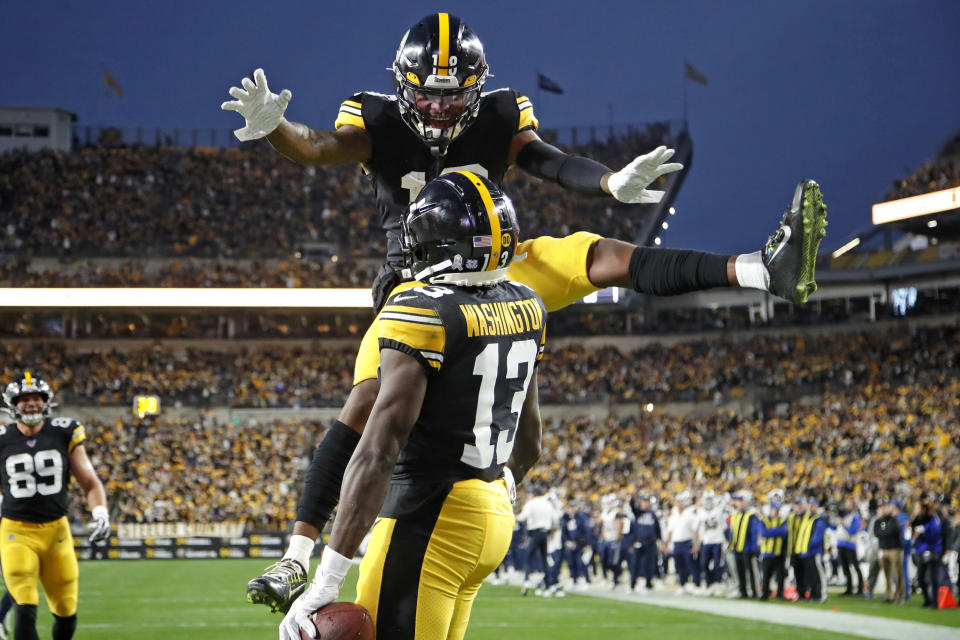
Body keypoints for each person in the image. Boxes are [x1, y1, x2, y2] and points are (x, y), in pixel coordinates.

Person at [223, 12, 829, 613]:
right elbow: (321, 146)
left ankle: (756, 269)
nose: (438, 110)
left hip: (497, 266)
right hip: (417, 282)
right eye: (426, 97)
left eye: (453, 95)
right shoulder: (375, 116)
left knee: (602, 255)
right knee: (363, 407)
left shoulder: (500, 115)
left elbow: (548, 161)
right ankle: (297, 557)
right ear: (403, 86)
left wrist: (611, 183)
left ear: (478, 86)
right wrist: (280, 130)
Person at [278, 172, 546, 640]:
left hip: (427, 520)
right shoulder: (527, 303)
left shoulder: (420, 309)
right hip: (492, 515)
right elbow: (531, 442)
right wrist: (498, 485)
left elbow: (378, 451)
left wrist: (327, 580)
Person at [0, 374, 111, 640]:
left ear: (46, 402)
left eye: (36, 398)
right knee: (24, 606)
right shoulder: (3, 438)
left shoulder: (64, 431)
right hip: (17, 531)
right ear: (12, 404)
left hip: (56, 533)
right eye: (24, 399)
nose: (30, 404)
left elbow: (90, 481)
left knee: (65, 609)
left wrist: (100, 512)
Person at [912, 497, 943, 608]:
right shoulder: (918, 519)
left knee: (933, 577)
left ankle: (935, 602)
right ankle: (927, 599)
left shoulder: (933, 519)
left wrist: (921, 535)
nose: (915, 509)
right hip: (921, 550)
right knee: (920, 577)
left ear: (923, 509)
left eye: (917, 507)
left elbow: (935, 536)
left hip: (933, 551)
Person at [728, 491, 760, 599]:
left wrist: (753, 548)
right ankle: (743, 592)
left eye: (741, 501)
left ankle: (755, 592)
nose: (739, 503)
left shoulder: (751, 515)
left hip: (747, 548)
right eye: (738, 501)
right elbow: (732, 532)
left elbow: (754, 532)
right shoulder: (735, 514)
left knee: (751, 572)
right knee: (740, 571)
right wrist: (732, 545)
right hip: (737, 548)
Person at [873, 501, 904, 603]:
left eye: (884, 507)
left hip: (894, 549)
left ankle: (900, 595)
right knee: (886, 574)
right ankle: (889, 595)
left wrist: (884, 532)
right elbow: (877, 533)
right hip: (883, 549)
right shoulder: (880, 522)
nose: (883, 510)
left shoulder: (894, 519)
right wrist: (886, 532)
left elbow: (894, 530)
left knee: (897, 573)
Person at [836, 497, 864, 596]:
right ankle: (849, 588)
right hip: (841, 544)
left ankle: (860, 589)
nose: (846, 506)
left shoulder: (855, 517)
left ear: (852, 506)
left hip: (850, 545)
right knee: (845, 568)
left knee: (855, 567)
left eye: (848, 504)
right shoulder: (845, 516)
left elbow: (853, 531)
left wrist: (842, 523)